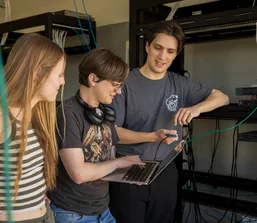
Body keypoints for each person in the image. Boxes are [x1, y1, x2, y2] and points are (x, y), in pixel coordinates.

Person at [109, 20, 230, 223]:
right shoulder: (125, 83)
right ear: (147, 46)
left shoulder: (180, 84)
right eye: (158, 48)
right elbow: (113, 133)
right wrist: (153, 137)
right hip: (128, 169)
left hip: (164, 170)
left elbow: (222, 97)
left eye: (170, 51)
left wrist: (196, 108)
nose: (163, 56)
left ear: (176, 54)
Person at [0, 33, 66, 223]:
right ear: (38, 72)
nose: (62, 81)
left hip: (44, 214)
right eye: (59, 74)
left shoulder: (37, 112)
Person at [47, 48, 145, 223]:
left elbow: (109, 160)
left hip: (102, 211)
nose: (119, 91)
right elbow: (79, 174)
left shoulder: (105, 114)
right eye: (115, 84)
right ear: (93, 79)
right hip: (73, 215)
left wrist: (129, 174)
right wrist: (119, 162)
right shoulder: (68, 113)